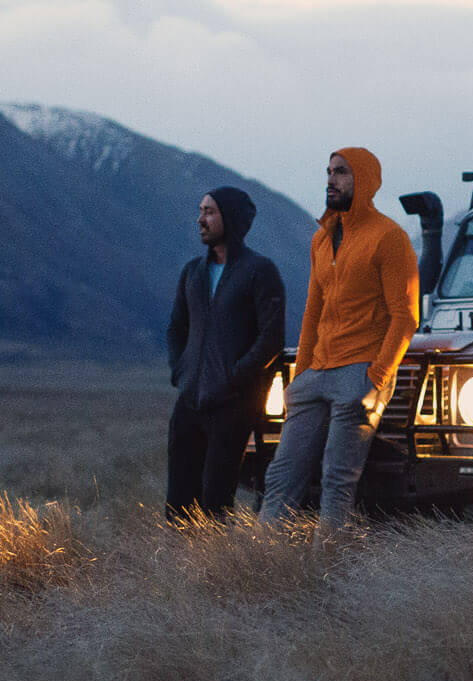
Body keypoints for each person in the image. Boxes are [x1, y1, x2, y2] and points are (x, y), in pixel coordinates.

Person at [258, 147, 419, 528]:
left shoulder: (389, 237)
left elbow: (405, 316)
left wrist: (377, 377)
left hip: (359, 372)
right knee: (281, 477)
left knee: (337, 481)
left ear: (363, 179)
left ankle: (329, 570)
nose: (331, 180)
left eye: (342, 172)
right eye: (329, 172)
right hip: (317, 373)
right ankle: (259, 569)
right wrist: (302, 374)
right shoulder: (322, 238)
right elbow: (314, 311)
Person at [165, 185, 286, 521]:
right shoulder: (192, 272)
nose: (200, 219)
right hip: (189, 401)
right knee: (178, 504)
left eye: (209, 211)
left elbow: (271, 336)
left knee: (215, 503)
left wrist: (236, 379)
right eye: (201, 210)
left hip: (232, 405)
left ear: (229, 218)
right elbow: (176, 328)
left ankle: (217, 571)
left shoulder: (260, 271)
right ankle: (176, 572)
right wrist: (181, 371)